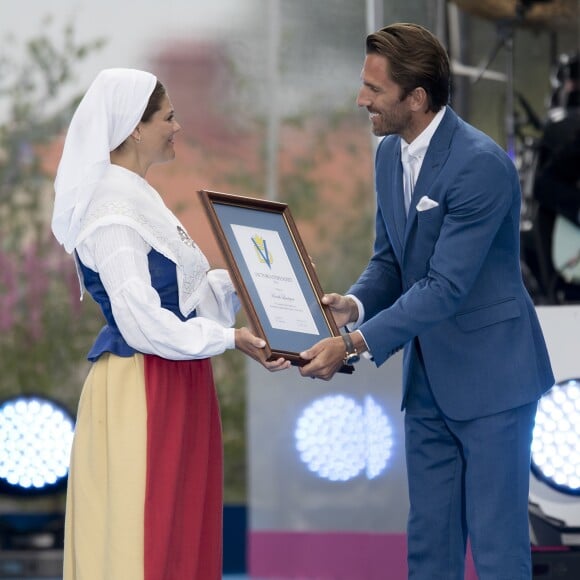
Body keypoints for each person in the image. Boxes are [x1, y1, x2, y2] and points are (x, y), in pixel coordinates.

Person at [299, 23, 554, 579]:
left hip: (494, 382)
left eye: (373, 89)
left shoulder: (481, 164)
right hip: (429, 382)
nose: (360, 99)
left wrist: (354, 344)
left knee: (497, 550)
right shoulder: (389, 155)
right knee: (429, 547)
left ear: (416, 98)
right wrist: (355, 306)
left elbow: (445, 286)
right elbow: (390, 261)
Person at [51, 68, 289, 580]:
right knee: (147, 538)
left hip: (176, 378)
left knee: (180, 535)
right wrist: (227, 337)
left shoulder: (140, 198)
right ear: (136, 128)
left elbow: (186, 297)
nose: (178, 126)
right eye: (169, 116)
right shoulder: (113, 212)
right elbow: (139, 319)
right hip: (143, 384)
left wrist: (248, 283)